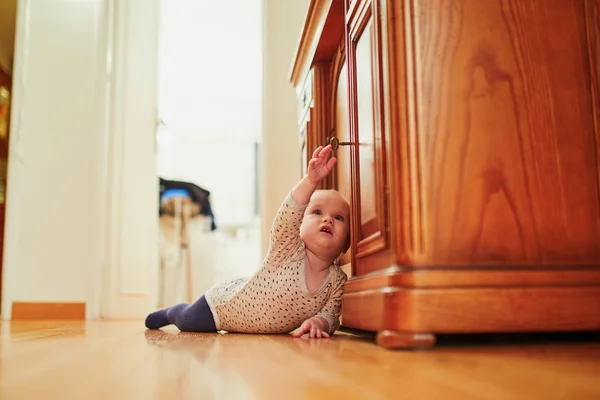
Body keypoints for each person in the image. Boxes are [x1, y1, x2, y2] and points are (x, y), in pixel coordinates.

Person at [145, 144, 350, 338]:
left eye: (338, 217)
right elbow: (287, 216)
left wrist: (319, 323)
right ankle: (172, 312)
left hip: (253, 322)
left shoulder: (337, 281)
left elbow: (331, 315)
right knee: (188, 321)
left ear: (347, 242)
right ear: (299, 225)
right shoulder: (289, 250)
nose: (328, 219)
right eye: (317, 212)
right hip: (222, 308)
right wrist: (311, 181)